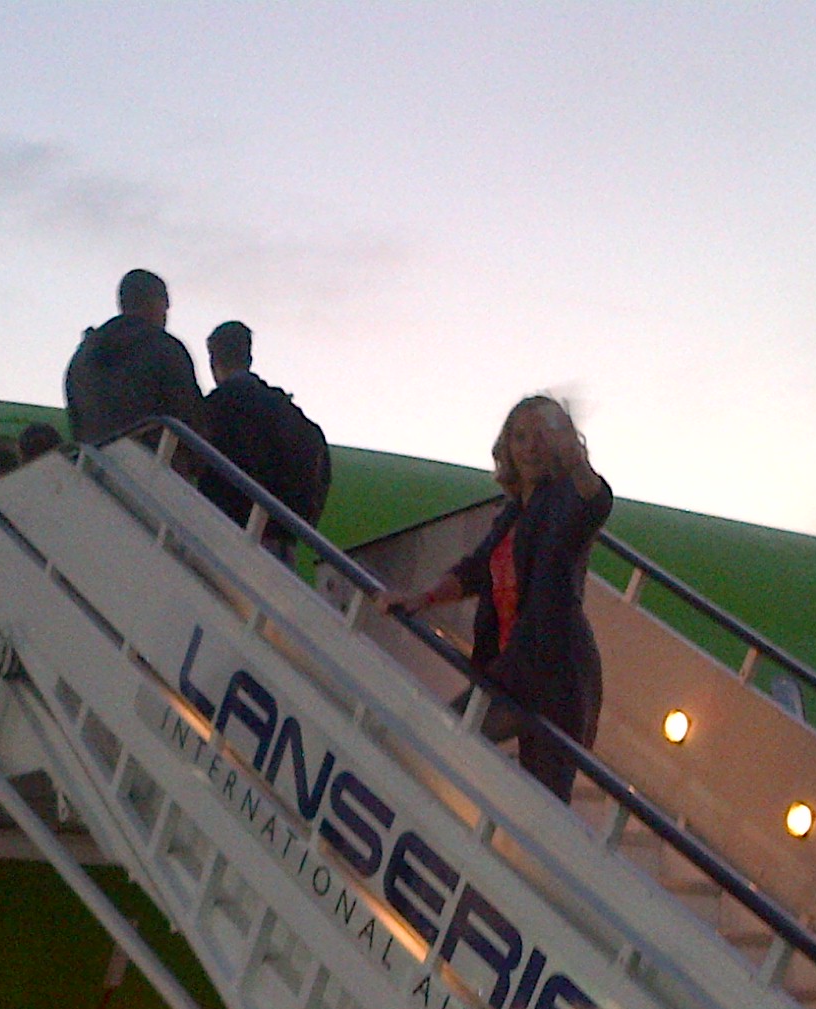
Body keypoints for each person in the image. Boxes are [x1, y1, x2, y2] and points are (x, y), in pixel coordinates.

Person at [383, 396, 610, 803]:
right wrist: (422, 598)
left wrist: (578, 462)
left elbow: (594, 505)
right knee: (453, 739)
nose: (530, 447)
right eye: (520, 437)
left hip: (554, 672)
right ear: (506, 447)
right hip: (516, 668)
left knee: (541, 799)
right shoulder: (513, 515)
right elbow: (476, 569)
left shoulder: (562, 500)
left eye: (541, 436)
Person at [199, 320, 331, 549]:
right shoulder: (284, 409)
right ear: (249, 359)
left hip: (226, 529)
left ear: (213, 361)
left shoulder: (211, 410)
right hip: (279, 533)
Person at [63, 269, 203, 447]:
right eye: (166, 304)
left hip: (99, 461)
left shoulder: (79, 361)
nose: (166, 312)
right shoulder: (164, 347)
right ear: (156, 302)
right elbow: (191, 418)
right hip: (159, 460)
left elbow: (77, 426)